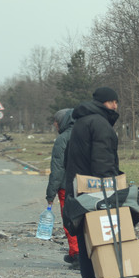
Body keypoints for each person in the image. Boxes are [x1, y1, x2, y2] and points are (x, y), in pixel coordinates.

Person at [65, 87, 121, 278]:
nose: (116, 106)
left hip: (78, 192)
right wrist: (111, 190)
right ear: (103, 103)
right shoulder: (99, 124)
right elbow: (103, 162)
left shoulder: (80, 122)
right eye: (112, 102)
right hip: (97, 193)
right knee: (105, 240)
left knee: (85, 241)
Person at [45, 108, 78, 268]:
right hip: (87, 185)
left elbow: (57, 169)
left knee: (69, 221)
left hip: (67, 187)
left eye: (56, 123)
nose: (55, 125)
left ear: (63, 122)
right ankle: (81, 254)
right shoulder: (84, 135)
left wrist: (50, 194)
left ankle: (76, 254)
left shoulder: (62, 139)